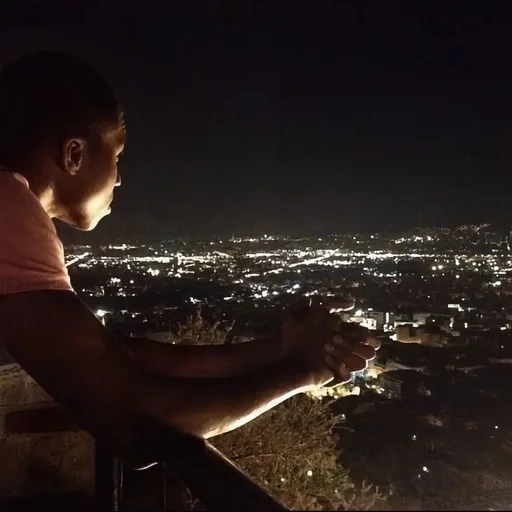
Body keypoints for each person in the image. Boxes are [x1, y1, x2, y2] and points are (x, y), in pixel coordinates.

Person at [0, 51, 377, 465]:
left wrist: (279, 349)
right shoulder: (8, 209)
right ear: (73, 154)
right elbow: (137, 425)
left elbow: (114, 358)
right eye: (117, 156)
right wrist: (304, 371)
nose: (119, 179)